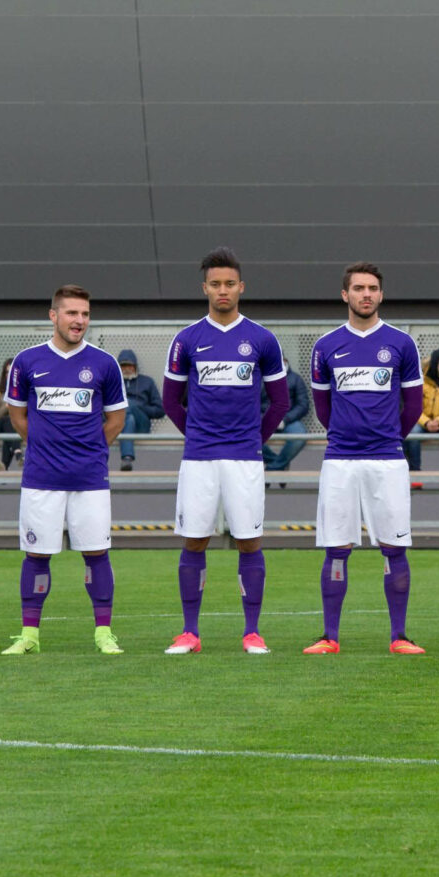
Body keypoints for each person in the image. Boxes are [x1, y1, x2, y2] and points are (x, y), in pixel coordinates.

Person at [160, 248, 289, 655]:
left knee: (249, 541)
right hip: (199, 458)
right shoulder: (187, 339)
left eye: (229, 283)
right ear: (205, 288)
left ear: (241, 287)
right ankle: (190, 632)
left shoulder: (262, 339)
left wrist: (253, 440)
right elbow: (170, 401)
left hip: (244, 458)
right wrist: (197, 435)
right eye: (215, 284)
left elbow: (281, 402)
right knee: (194, 540)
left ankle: (252, 632)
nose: (223, 290)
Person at [0, 285, 128, 656]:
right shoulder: (27, 361)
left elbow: (116, 420)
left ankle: (103, 634)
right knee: (36, 555)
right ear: (53, 315)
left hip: (89, 478)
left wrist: (89, 451)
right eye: (72, 313)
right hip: (41, 477)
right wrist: (45, 446)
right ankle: (30, 635)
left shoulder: (105, 363)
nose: (79, 320)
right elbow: (18, 416)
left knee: (96, 553)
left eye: (85, 314)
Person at [304, 262, 425, 655]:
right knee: (337, 547)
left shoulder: (401, 344)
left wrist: (387, 437)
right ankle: (330, 637)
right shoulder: (326, 346)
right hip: (340, 459)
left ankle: (399, 636)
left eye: (372, 288)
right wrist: (347, 434)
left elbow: (413, 406)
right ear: (345, 294)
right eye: (358, 288)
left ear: (381, 294)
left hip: (387, 460)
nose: (366, 294)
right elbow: (323, 408)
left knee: (394, 546)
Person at [407, 349, 439, 472]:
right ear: (435, 362)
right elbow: (413, 407)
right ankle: (415, 472)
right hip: (423, 422)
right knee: (412, 433)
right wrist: (426, 422)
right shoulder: (421, 381)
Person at [116, 348, 165, 472]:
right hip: (118, 425)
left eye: (130, 365)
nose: (127, 369)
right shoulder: (112, 383)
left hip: (141, 425)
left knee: (128, 404)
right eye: (123, 366)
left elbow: (160, 410)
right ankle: (127, 458)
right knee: (129, 418)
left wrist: (138, 406)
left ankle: (127, 455)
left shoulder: (147, 382)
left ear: (135, 366)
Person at [261, 365, 311, 470]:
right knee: (249, 435)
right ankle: (278, 463)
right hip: (264, 418)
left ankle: (273, 468)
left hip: (288, 420)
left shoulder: (296, 379)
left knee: (299, 436)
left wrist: (285, 420)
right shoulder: (260, 378)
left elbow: (303, 405)